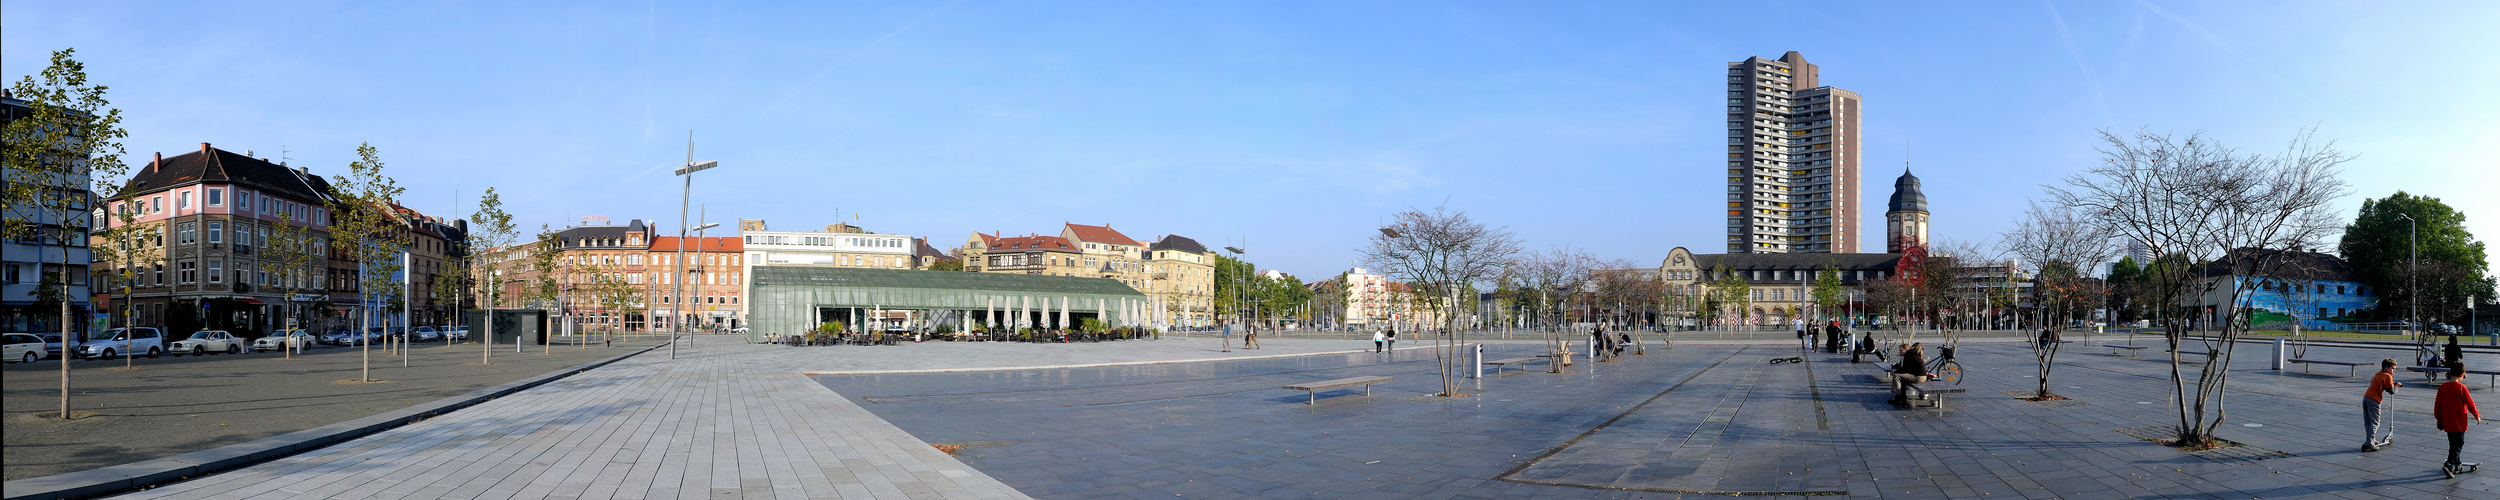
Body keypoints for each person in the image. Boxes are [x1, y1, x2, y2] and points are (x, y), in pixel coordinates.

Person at [2434, 364, 2482, 474]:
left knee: (2453, 444)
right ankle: (2449, 464)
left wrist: (2439, 419)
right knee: (2459, 444)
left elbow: (2437, 406)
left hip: (2448, 422)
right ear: (2461, 375)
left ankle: (2457, 465)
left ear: (2450, 374)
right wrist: (2476, 415)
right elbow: (2470, 404)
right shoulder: (2462, 388)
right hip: (2460, 422)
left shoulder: (2442, 388)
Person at [2364, 358, 2402, 451]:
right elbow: (2391, 391)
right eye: (2392, 368)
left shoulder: (2378, 374)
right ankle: (2369, 443)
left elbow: (2382, 383)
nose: (2393, 371)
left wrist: (2392, 383)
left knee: (2368, 422)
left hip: (2366, 398)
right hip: (2374, 400)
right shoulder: (2388, 376)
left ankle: (2370, 440)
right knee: (2375, 422)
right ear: (2386, 367)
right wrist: (2397, 387)